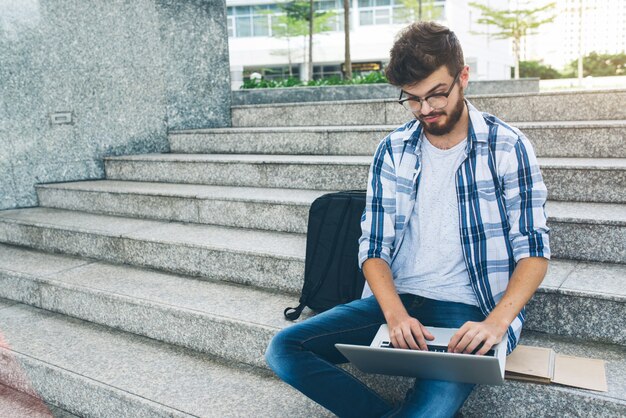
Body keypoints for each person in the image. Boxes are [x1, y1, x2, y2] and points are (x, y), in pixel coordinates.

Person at [265, 21, 550, 418]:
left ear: (463, 77)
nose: (426, 109)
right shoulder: (393, 149)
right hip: (397, 304)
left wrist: (496, 323)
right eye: (412, 99)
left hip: (470, 309)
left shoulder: (508, 146)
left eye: (436, 94)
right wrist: (395, 314)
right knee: (283, 349)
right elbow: (373, 248)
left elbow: (534, 251)